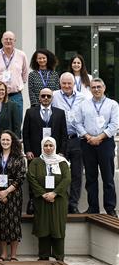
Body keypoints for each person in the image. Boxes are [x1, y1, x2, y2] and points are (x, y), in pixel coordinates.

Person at [72, 78, 118, 216]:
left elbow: (115, 124)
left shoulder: (112, 105)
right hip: (87, 143)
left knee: (108, 177)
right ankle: (93, 208)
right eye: (93, 87)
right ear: (90, 89)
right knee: (91, 178)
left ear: (104, 88)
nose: (96, 89)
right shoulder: (83, 105)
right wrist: (88, 136)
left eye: (99, 87)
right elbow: (77, 123)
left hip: (106, 143)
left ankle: (110, 209)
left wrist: (100, 137)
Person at [27, 138, 72, 260]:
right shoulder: (36, 162)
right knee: (43, 227)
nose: (48, 148)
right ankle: (43, 256)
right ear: (42, 147)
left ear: (55, 147)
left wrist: (54, 193)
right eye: (45, 145)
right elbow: (31, 178)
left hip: (58, 200)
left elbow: (67, 179)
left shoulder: (62, 162)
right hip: (41, 200)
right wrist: (43, 194)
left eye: (50, 145)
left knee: (58, 226)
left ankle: (59, 256)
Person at [52, 73, 87, 213]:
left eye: (69, 83)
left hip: (77, 139)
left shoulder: (82, 98)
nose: (66, 86)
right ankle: (61, 202)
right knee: (57, 173)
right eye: (64, 83)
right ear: (60, 84)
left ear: (74, 84)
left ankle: (73, 204)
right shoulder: (54, 96)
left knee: (77, 173)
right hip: (60, 140)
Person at [0, 131, 26, 262]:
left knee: (14, 223)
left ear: (12, 141)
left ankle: (13, 255)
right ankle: (3, 254)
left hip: (14, 194)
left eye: (8, 140)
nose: (5, 142)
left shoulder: (19, 157)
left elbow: (21, 177)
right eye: (3, 140)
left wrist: (7, 192)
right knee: (0, 222)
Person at [0, 31, 29, 114]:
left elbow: (25, 74)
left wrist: (17, 83)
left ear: (15, 41)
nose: (8, 41)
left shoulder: (22, 55)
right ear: (2, 40)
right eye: (6, 39)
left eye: (11, 39)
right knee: (0, 122)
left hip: (16, 95)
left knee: (17, 122)